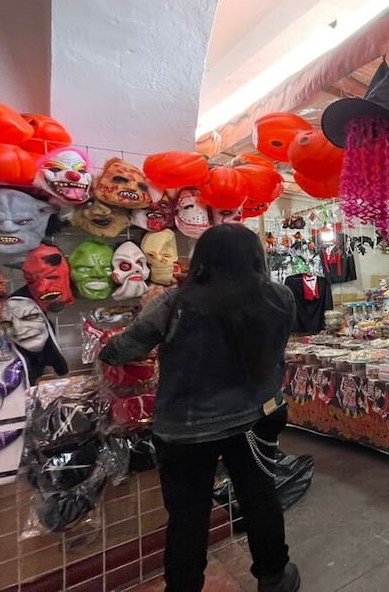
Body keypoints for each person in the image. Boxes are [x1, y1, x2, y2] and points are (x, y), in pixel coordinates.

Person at [100, 224, 299, 592]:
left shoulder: (174, 304)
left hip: (186, 429)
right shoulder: (279, 297)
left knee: (188, 516)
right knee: (260, 498)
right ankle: (274, 577)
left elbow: (119, 351)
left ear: (202, 259)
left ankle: (184, 585)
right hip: (257, 417)